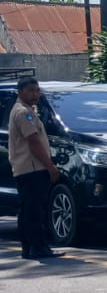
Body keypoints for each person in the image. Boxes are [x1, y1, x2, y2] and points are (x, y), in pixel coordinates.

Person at [8, 78, 61, 260]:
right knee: (35, 210)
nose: (35, 94)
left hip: (25, 168)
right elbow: (34, 142)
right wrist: (50, 167)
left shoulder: (26, 111)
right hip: (32, 169)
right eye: (31, 90)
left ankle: (29, 247)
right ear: (20, 92)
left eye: (37, 90)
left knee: (28, 209)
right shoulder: (24, 113)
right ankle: (37, 247)